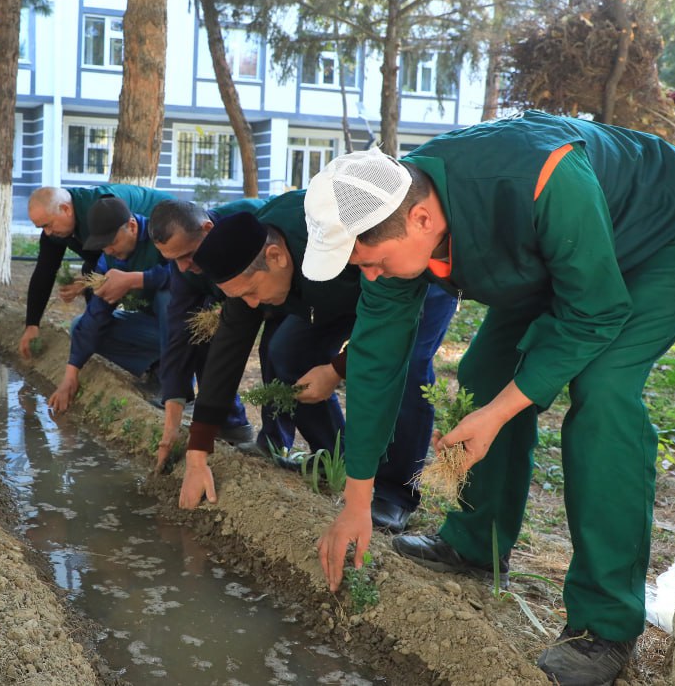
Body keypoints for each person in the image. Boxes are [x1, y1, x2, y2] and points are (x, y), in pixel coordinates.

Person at [306, 112, 675, 685]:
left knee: (603, 391)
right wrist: (356, 501)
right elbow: (379, 359)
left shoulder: (540, 176)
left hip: (665, 232)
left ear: (423, 218)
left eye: (375, 263)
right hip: (556, 249)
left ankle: (604, 625)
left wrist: (501, 413)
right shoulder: (396, 210)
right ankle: (477, 542)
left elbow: (596, 309)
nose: (374, 277)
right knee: (485, 368)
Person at [176, 192, 457, 532]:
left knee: (405, 367)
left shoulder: (336, 236)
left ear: (276, 256)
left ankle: (393, 493)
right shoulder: (247, 261)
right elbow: (228, 350)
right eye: (240, 297)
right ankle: (334, 454)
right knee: (287, 351)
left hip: (409, 278)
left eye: (251, 292)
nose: (251, 305)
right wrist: (197, 451)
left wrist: (337, 369)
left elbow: (389, 330)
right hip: (334, 290)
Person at [148, 198, 263, 465]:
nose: (183, 266)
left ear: (208, 229)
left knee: (280, 350)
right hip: (236, 300)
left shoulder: (249, 226)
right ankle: (229, 424)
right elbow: (179, 333)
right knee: (200, 331)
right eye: (173, 260)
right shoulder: (184, 268)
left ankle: (275, 443)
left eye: (188, 255)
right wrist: (171, 429)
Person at [47, 196, 173, 413]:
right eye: (103, 246)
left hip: (189, 332)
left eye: (112, 243)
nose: (109, 251)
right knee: (80, 326)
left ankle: (179, 389)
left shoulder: (161, 234)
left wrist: (135, 279)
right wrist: (70, 375)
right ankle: (157, 368)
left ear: (132, 226)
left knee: (167, 295)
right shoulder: (108, 260)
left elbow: (184, 274)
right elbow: (97, 313)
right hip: (153, 329)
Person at [20, 185, 172, 359]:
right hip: (129, 251)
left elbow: (113, 259)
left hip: (164, 234)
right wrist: (32, 325)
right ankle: (153, 361)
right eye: (42, 228)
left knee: (164, 294)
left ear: (66, 209)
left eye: (48, 225)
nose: (47, 232)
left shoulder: (100, 210)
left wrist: (88, 282)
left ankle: (172, 360)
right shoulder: (55, 229)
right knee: (93, 312)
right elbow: (44, 271)